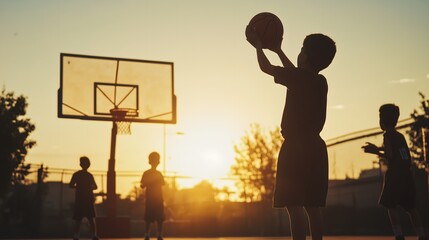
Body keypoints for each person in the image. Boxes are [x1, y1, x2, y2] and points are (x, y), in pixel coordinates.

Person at [247, 26, 336, 240]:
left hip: (295, 147)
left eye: (301, 49)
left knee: (293, 205)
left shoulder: (299, 78)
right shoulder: (320, 81)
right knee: (312, 207)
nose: (298, 52)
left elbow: (265, 67)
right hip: (316, 147)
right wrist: (278, 50)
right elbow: (296, 74)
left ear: (305, 56)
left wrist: (258, 46)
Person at [362, 104, 427, 240]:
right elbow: (397, 152)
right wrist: (379, 149)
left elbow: (390, 155)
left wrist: (375, 151)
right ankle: (422, 235)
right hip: (406, 174)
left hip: (395, 174)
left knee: (390, 205)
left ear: (382, 120)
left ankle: (398, 235)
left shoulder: (387, 135)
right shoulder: (400, 136)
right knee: (411, 207)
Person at [69, 156, 99, 240]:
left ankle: (77, 235)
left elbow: (71, 185)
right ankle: (93, 235)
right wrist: (88, 188)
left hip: (83, 200)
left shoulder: (77, 175)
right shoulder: (89, 175)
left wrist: (79, 188)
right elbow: (95, 187)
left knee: (80, 219)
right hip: (86, 200)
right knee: (90, 219)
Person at [141, 152, 165, 240]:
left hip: (152, 198)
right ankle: (157, 234)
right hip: (156, 198)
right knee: (158, 217)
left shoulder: (147, 173)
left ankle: (149, 234)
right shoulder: (158, 174)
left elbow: (142, 185)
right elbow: (163, 184)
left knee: (151, 217)